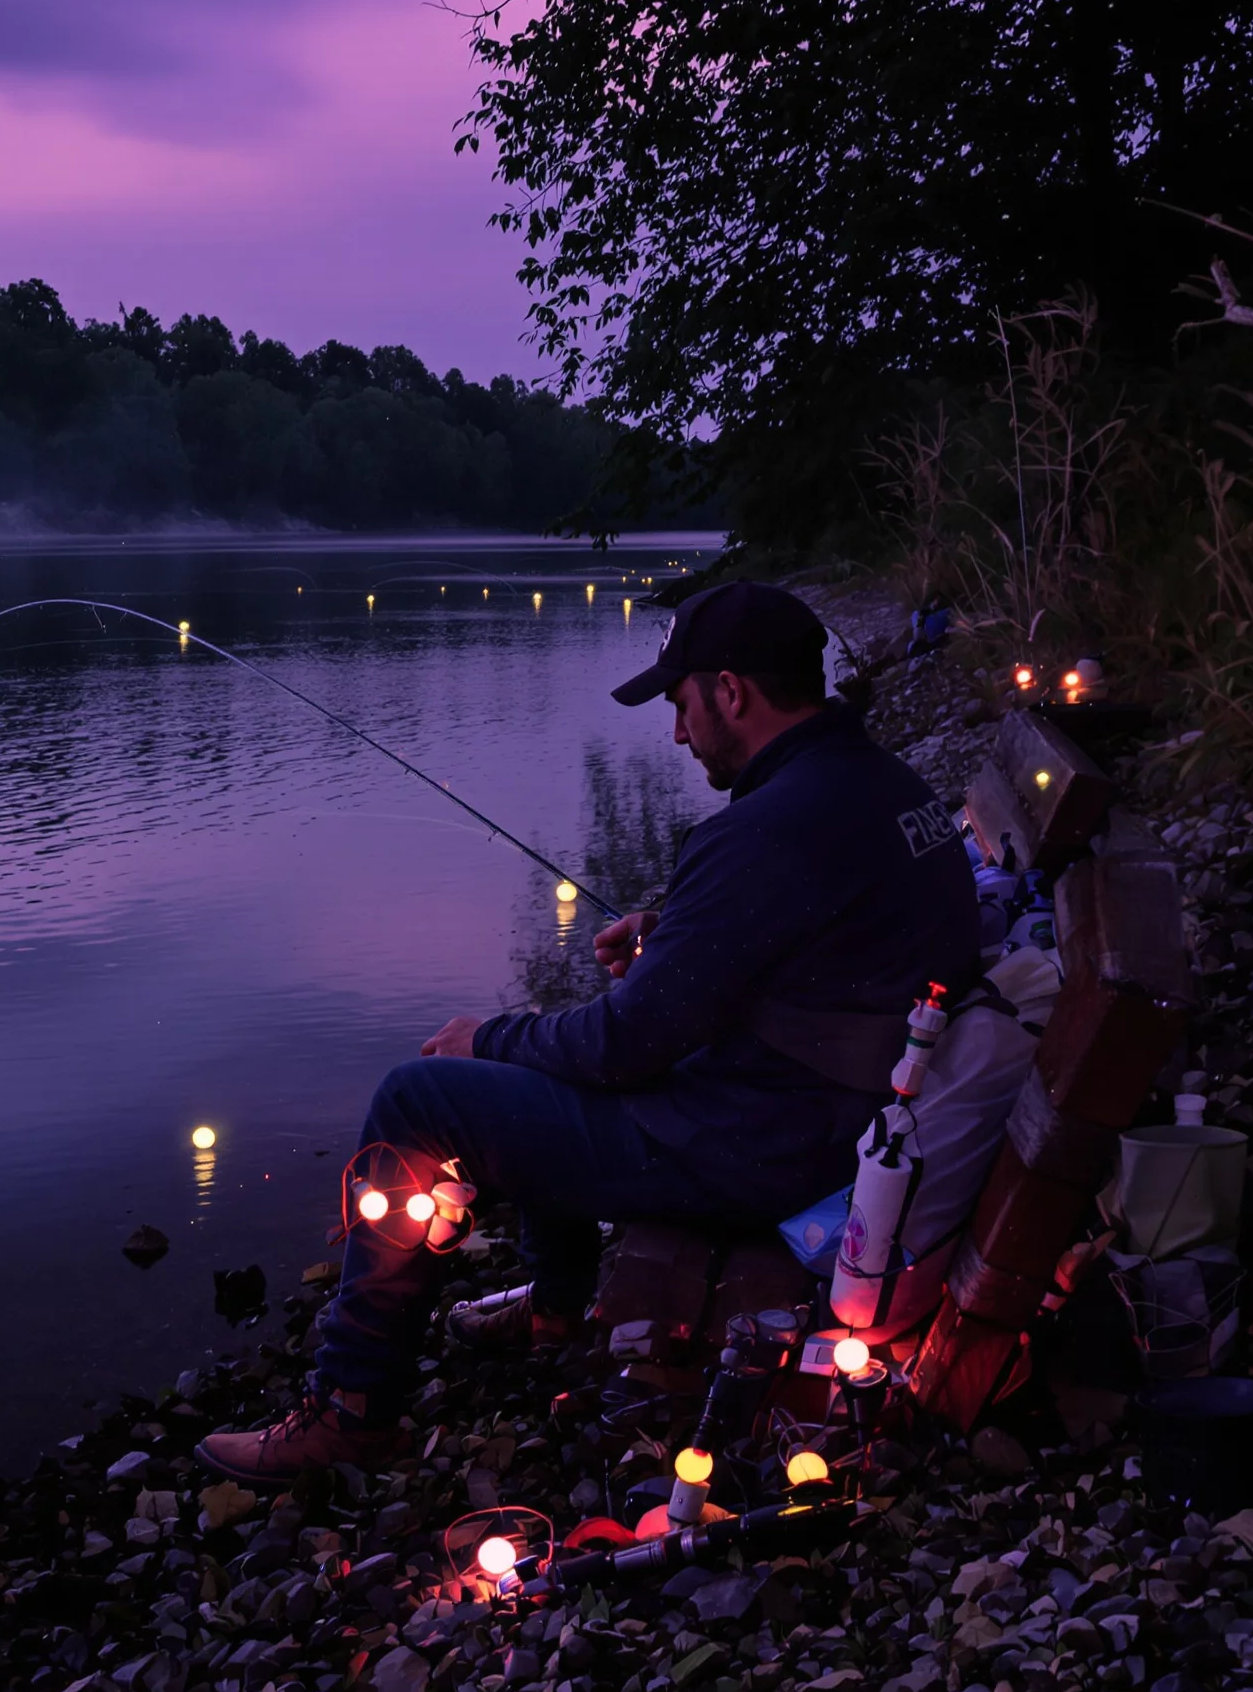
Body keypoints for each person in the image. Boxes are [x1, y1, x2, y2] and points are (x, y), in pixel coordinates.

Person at [197, 581, 981, 1489]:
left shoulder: (769, 828)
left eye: (683, 706)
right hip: (854, 1116)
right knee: (566, 1044)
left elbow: (621, 1047)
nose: (680, 734)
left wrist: (486, 1037)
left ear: (731, 692)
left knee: (420, 1099)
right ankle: (558, 1308)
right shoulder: (886, 786)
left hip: (773, 1149)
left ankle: (351, 1413)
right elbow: (829, 938)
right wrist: (675, 931)